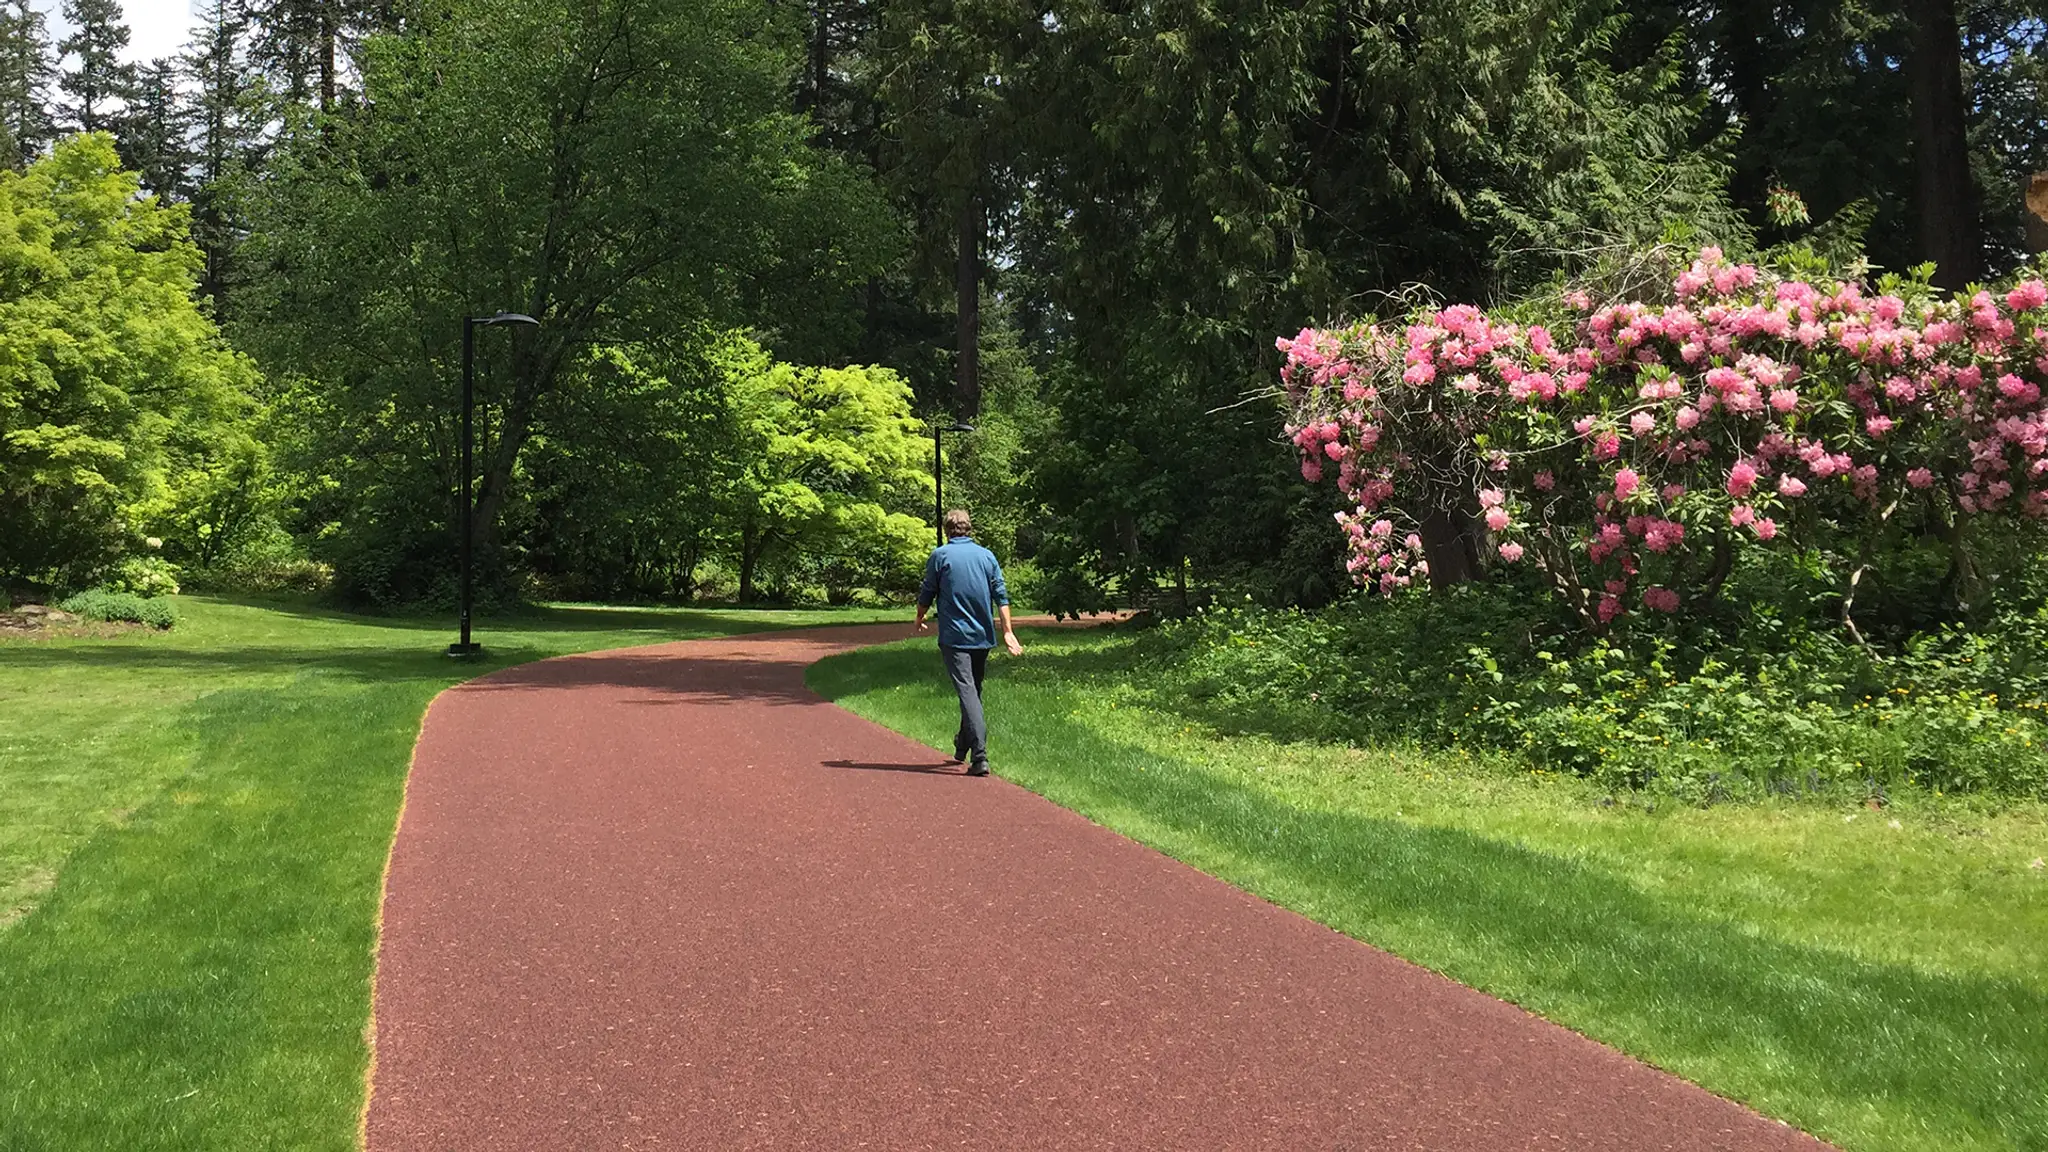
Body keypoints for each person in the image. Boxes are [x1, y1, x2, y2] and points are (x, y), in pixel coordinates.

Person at [914, 509, 1023, 776]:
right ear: (969, 528)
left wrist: (919, 616)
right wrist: (1007, 631)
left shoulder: (940, 556)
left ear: (947, 529)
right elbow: (1001, 595)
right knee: (973, 690)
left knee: (967, 692)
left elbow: (928, 590)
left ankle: (980, 756)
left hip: (955, 637)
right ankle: (963, 744)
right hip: (983, 636)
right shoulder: (987, 556)